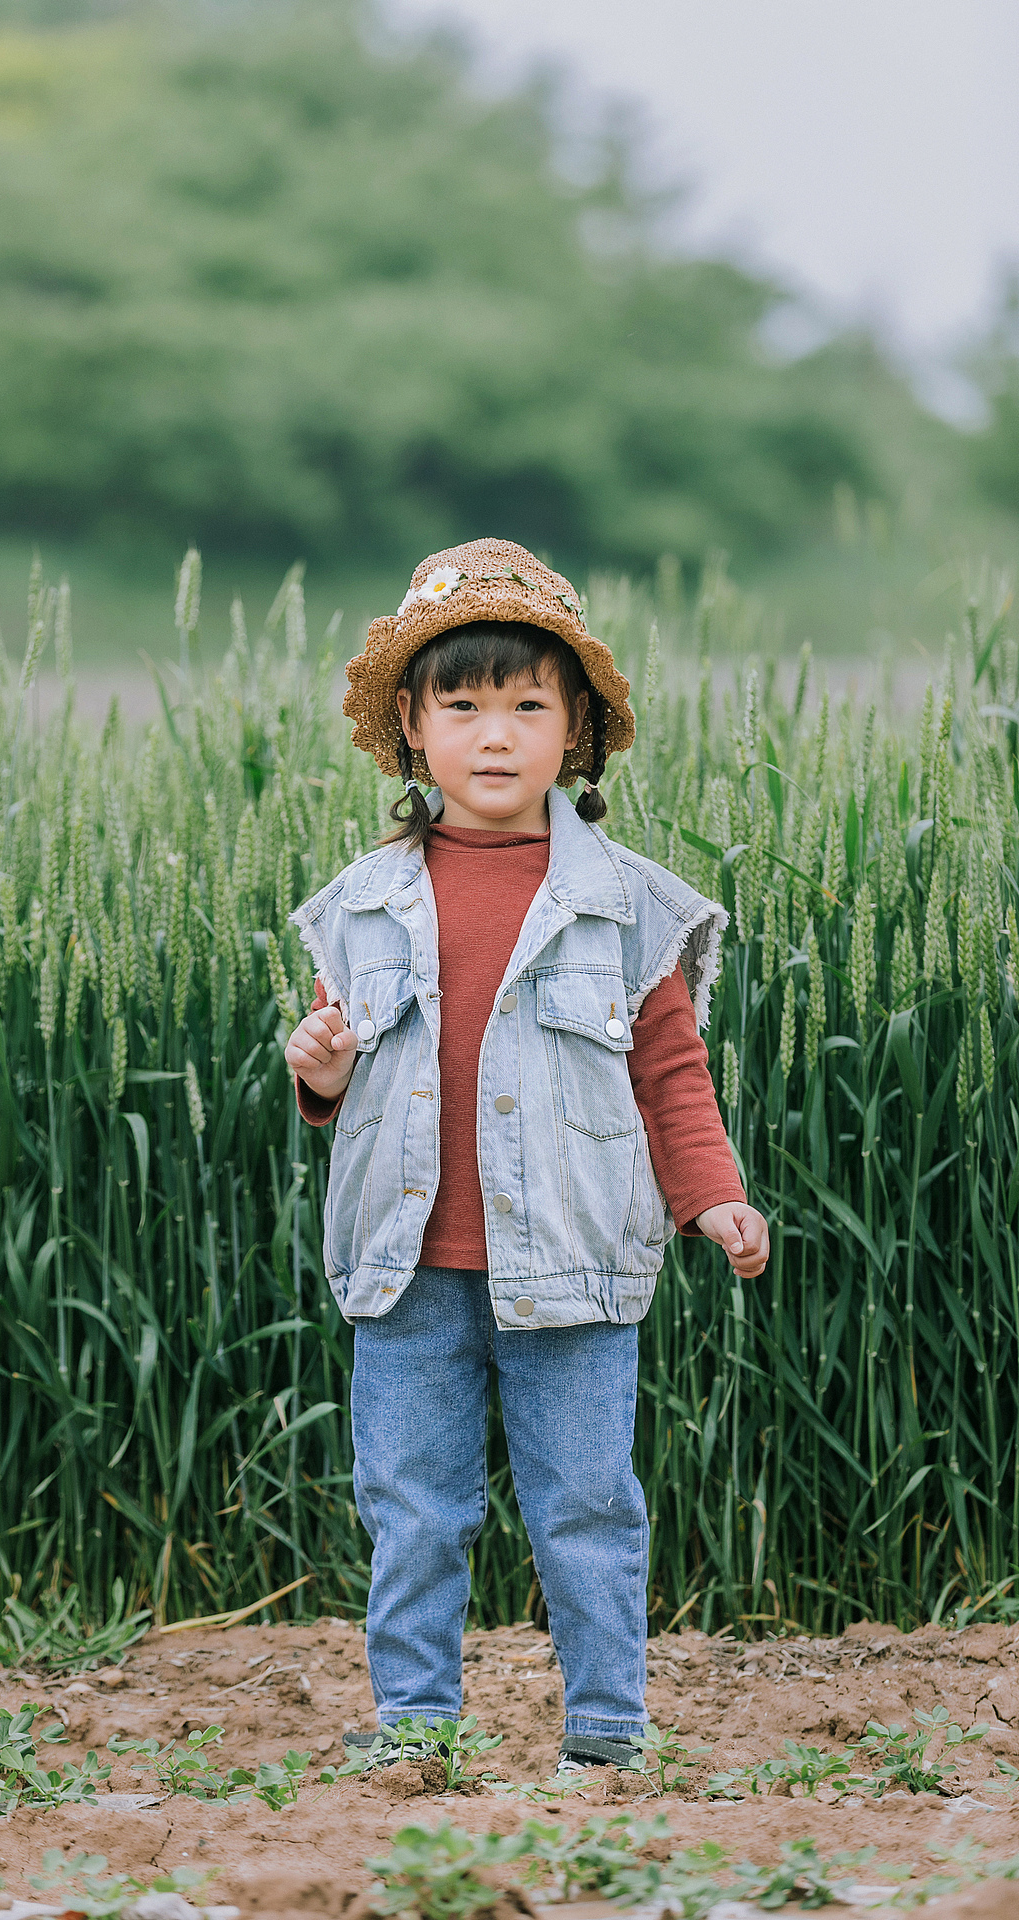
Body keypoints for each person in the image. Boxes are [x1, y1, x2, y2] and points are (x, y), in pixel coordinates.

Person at [283, 537, 769, 1779]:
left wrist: (710, 1196)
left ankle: (605, 1727)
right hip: (408, 1269)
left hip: (576, 1259)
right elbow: (341, 1075)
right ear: (410, 726)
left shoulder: (629, 907)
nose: (492, 734)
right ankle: (414, 1725)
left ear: (576, 736)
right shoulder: (360, 902)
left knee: (586, 1505)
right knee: (411, 1506)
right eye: (461, 705)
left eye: (525, 706)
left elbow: (668, 1070)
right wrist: (317, 1078)